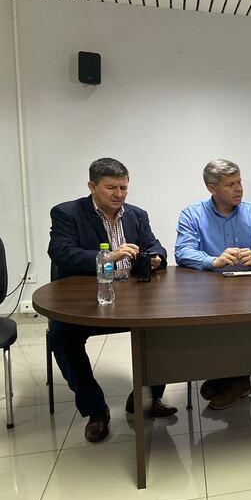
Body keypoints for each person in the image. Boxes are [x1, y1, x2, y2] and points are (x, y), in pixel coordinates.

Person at [48, 158, 177, 443]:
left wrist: (156, 258)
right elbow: (61, 252)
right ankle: (95, 409)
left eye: (124, 188)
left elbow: (156, 246)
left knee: (166, 328)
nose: (119, 194)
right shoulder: (67, 213)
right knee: (61, 335)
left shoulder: (136, 214)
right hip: (89, 299)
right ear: (92, 186)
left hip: (134, 299)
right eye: (111, 188)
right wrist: (106, 256)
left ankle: (146, 397)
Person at [175, 159, 251, 409]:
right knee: (211, 325)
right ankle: (225, 374)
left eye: (239, 182)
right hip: (209, 290)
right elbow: (182, 252)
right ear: (212, 188)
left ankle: (238, 380)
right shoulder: (192, 214)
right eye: (230, 184)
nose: (239, 188)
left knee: (246, 322)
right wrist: (214, 260)